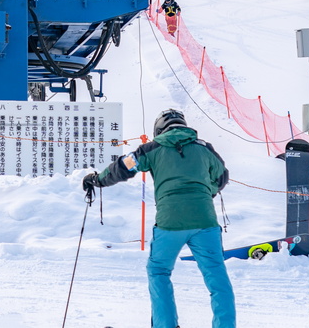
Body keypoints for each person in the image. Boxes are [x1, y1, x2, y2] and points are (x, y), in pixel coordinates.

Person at [82, 109, 234, 328]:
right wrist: (203, 192)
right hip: (205, 221)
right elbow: (221, 177)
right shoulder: (204, 148)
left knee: (159, 271)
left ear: (159, 130)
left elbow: (124, 167)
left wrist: (97, 180)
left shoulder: (151, 149)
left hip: (170, 222)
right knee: (217, 278)